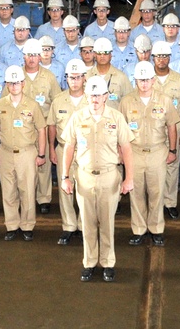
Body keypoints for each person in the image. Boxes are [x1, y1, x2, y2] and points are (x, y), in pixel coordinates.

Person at [61, 76, 135, 282]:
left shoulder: (116, 118)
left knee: (107, 222)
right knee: (87, 222)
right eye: (91, 95)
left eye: (99, 95)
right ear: (86, 95)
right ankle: (90, 262)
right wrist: (65, 176)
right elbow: (68, 147)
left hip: (109, 177)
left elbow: (126, 148)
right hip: (84, 177)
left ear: (106, 96)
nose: (94, 99)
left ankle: (108, 262)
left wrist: (129, 178)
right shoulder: (77, 118)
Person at [119, 62, 179, 246]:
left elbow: (172, 126)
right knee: (135, 193)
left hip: (157, 152)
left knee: (156, 192)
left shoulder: (164, 100)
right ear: (135, 80)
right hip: (134, 152)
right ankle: (138, 229)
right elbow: (121, 132)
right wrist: (121, 154)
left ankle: (156, 229)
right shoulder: (126, 101)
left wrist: (172, 150)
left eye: (147, 80)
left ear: (153, 80)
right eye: (140, 80)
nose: (143, 83)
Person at [0, 65, 46, 241]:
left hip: (27, 153)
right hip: (5, 152)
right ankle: (12, 225)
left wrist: (41, 154)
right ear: (6, 84)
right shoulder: (0, 104)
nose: (14, 86)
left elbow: (42, 130)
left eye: (17, 82)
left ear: (23, 83)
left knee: (27, 190)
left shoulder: (32, 105)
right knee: (8, 191)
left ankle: (27, 225)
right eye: (11, 83)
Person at [49, 59, 88, 245]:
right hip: (64, 149)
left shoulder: (92, 100)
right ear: (66, 78)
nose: (74, 81)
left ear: (84, 78)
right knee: (65, 190)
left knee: (85, 190)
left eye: (78, 77)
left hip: (85, 152)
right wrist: (51, 148)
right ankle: (69, 226)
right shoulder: (58, 100)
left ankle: (83, 226)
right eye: (71, 77)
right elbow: (51, 126)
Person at [20, 37, 61, 214]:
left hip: (43, 127)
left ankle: (44, 198)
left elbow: (57, 102)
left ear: (40, 57)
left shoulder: (49, 77)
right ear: (24, 56)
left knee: (43, 165)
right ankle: (25, 198)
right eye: (29, 55)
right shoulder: (16, 76)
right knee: (24, 167)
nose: (32, 58)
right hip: (22, 129)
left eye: (35, 55)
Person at [150, 41, 180, 220]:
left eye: (165, 56)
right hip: (153, 133)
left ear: (169, 58)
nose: (161, 59)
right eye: (158, 56)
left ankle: (170, 203)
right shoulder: (147, 80)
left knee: (172, 168)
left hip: (176, 131)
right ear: (153, 58)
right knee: (154, 169)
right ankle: (155, 203)